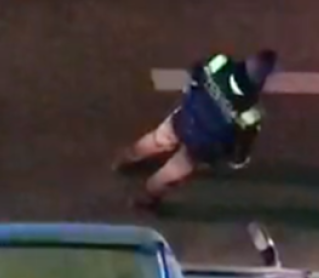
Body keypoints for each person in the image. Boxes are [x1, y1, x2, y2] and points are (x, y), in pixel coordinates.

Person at [113, 48, 279, 210]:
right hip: (200, 146)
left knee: (156, 140)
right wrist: (235, 159)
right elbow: (242, 145)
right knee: (170, 174)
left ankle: (127, 159)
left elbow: (196, 71)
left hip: (184, 119)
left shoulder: (221, 63)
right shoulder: (251, 110)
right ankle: (146, 197)